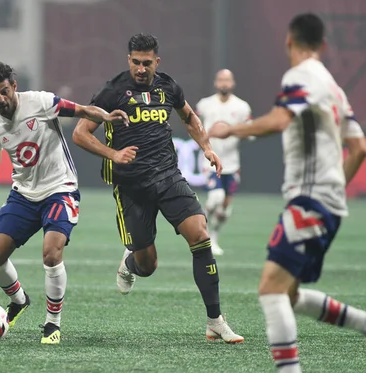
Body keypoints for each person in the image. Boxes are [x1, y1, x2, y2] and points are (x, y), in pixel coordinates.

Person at [210, 13, 366, 373]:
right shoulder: (334, 87)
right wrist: (334, 191)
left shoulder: (301, 76)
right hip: (325, 201)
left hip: (310, 200)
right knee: (290, 294)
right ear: (324, 45)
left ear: (288, 41)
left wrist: (233, 130)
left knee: (270, 290)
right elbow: (359, 147)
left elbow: (279, 121)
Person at [72, 33, 244, 343]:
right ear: (129, 60)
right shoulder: (112, 92)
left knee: (201, 236)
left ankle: (215, 320)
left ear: (156, 61)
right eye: (136, 62)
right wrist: (113, 154)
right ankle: (129, 262)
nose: (141, 68)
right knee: (148, 266)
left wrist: (206, 147)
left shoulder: (168, 86)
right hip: (131, 186)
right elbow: (80, 134)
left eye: (146, 63)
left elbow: (189, 117)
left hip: (168, 177)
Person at [0, 62, 128, 344]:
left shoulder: (41, 102)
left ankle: (52, 323)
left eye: (4, 91)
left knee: (51, 253)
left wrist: (105, 117)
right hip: (23, 194)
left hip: (60, 189)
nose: (1, 99)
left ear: (14, 86)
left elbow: (81, 110)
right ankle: (19, 301)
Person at [196, 69, 253, 255]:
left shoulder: (242, 107)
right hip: (210, 161)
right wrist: (206, 138)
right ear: (215, 82)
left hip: (232, 163)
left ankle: (213, 237)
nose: (224, 84)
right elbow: (193, 125)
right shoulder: (205, 105)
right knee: (216, 198)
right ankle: (199, 226)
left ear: (233, 83)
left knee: (225, 208)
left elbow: (250, 132)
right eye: (221, 80)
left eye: (227, 80)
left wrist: (231, 131)